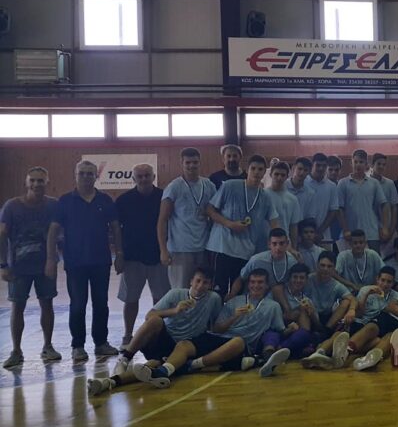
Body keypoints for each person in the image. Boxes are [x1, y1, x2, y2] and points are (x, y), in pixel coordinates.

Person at [87, 267, 237, 396]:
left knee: (151, 365)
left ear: (210, 285)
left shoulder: (214, 299)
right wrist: (175, 311)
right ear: (191, 281)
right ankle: (125, 358)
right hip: (164, 339)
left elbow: (215, 327)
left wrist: (234, 318)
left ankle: (109, 382)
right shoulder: (175, 294)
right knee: (155, 321)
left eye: (205, 282)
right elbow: (149, 315)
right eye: (198, 281)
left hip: (184, 346)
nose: (200, 285)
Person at [48, 160, 122, 363]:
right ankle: (78, 346)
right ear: (75, 175)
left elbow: (116, 228)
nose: (86, 177)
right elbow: (53, 231)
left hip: (101, 262)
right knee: (78, 305)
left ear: (96, 176)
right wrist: (51, 258)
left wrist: (120, 254)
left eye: (90, 173)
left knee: (101, 304)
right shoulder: (65, 201)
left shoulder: (105, 200)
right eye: (82, 173)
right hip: (75, 263)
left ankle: (101, 343)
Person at [1, 167, 60, 368]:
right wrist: (3, 265)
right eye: (32, 180)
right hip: (18, 267)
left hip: (45, 265)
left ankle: (48, 346)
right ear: (26, 183)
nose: (36, 184)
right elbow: (2, 235)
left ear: (47, 183)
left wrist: (52, 260)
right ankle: (16, 351)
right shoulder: (11, 206)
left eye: (40, 180)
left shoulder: (53, 205)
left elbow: (56, 233)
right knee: (17, 306)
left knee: (47, 304)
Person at [205, 155, 280, 295]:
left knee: (238, 293)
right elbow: (209, 210)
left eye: (260, 169)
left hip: (245, 251)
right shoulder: (230, 186)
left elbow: (274, 223)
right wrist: (230, 224)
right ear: (247, 169)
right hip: (222, 247)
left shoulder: (265, 197)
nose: (256, 172)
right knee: (217, 291)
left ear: (265, 172)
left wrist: (282, 244)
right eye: (253, 168)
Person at [116, 163, 169, 349]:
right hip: (132, 258)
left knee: (160, 300)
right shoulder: (123, 200)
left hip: (158, 257)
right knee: (131, 299)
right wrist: (119, 254)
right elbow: (116, 230)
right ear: (133, 179)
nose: (144, 179)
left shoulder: (164, 197)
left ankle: (158, 334)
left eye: (147, 175)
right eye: (140, 176)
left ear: (153, 177)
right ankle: (128, 335)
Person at [213, 268, 292, 377]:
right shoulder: (234, 301)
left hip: (247, 348)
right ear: (248, 284)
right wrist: (234, 317)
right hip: (224, 341)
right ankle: (257, 361)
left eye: (260, 282)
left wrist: (291, 329)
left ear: (267, 285)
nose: (256, 285)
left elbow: (280, 331)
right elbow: (216, 329)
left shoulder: (273, 306)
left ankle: (259, 359)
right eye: (252, 282)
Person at [160, 148, 217, 288]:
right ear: (182, 163)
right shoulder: (174, 187)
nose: (192, 165)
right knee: (181, 290)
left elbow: (215, 215)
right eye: (188, 162)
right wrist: (163, 250)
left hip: (203, 247)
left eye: (195, 162)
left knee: (203, 289)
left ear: (200, 162)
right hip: (180, 249)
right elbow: (162, 220)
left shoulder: (209, 185)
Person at [229, 228, 298, 310]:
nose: (278, 248)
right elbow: (240, 278)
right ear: (269, 244)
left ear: (287, 244)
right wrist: (232, 296)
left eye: (281, 243)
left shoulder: (292, 262)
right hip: (254, 298)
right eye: (274, 244)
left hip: (280, 299)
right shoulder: (256, 260)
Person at [338, 150, 388, 253]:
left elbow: (384, 205)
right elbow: (339, 209)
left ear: (366, 164)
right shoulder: (342, 183)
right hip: (351, 234)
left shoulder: (374, 183)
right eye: (355, 162)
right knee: (350, 262)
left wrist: (384, 227)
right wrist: (345, 229)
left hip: (372, 233)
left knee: (374, 262)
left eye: (361, 162)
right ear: (351, 163)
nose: (358, 165)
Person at [305, 251, 355, 331]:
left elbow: (353, 299)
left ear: (334, 268)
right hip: (308, 315)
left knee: (346, 301)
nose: (325, 269)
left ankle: (326, 331)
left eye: (329, 266)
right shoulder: (307, 279)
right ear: (317, 265)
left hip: (327, 318)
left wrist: (351, 310)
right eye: (322, 265)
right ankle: (306, 334)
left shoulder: (336, 285)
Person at [306, 153, 340, 248]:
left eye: (324, 166)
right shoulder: (303, 183)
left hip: (324, 236)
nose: (321, 168)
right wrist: (308, 232)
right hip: (303, 236)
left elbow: (333, 211)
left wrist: (320, 231)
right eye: (318, 165)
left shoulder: (332, 186)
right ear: (312, 165)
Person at [266, 161, 302, 249]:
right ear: (270, 174)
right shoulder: (262, 195)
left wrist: (294, 248)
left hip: (283, 245)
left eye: (283, 175)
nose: (279, 178)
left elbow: (293, 227)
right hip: (263, 242)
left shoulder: (293, 199)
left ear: (287, 176)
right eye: (276, 174)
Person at [370, 153, 398, 259]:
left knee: (390, 261)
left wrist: (391, 230)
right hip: (371, 230)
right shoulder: (366, 183)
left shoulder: (390, 184)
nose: (381, 166)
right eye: (379, 164)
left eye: (384, 164)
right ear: (372, 165)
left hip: (389, 231)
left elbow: (394, 208)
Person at [285, 156, 314, 221]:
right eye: (299, 169)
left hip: (300, 226)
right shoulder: (282, 187)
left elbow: (309, 216)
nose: (302, 173)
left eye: (305, 170)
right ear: (293, 168)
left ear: (309, 172)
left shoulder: (310, 193)